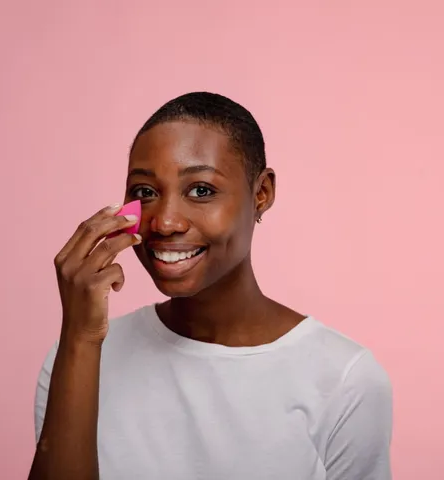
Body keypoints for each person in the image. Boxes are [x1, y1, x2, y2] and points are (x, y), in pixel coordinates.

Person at [28, 92, 393, 480]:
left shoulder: (343, 379)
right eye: (145, 192)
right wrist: (81, 339)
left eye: (201, 190)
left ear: (262, 193)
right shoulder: (79, 359)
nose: (165, 222)